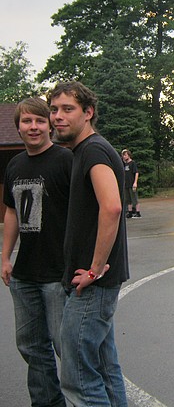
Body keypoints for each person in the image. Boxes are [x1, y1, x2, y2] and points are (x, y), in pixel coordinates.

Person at [48, 81, 130, 406]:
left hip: (92, 285)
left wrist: (94, 270)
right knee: (106, 370)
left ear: (88, 112)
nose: (58, 116)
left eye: (68, 109)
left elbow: (112, 207)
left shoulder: (93, 150)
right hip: (91, 282)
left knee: (79, 378)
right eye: (54, 109)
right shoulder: (84, 151)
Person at [2, 98, 73, 407]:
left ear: (49, 126)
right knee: (31, 347)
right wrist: (5, 257)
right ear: (18, 127)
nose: (33, 127)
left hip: (59, 274)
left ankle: (86, 401)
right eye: (27, 121)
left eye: (40, 121)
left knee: (66, 348)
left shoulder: (65, 160)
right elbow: (11, 212)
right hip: (24, 275)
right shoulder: (14, 165)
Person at [122, 149, 141, 218]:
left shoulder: (132, 163)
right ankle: (130, 212)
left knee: (134, 198)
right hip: (126, 184)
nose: (124, 156)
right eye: (123, 155)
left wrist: (135, 182)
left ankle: (138, 212)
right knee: (128, 199)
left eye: (125, 155)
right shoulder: (124, 164)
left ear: (129, 155)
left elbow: (136, 173)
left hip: (132, 183)